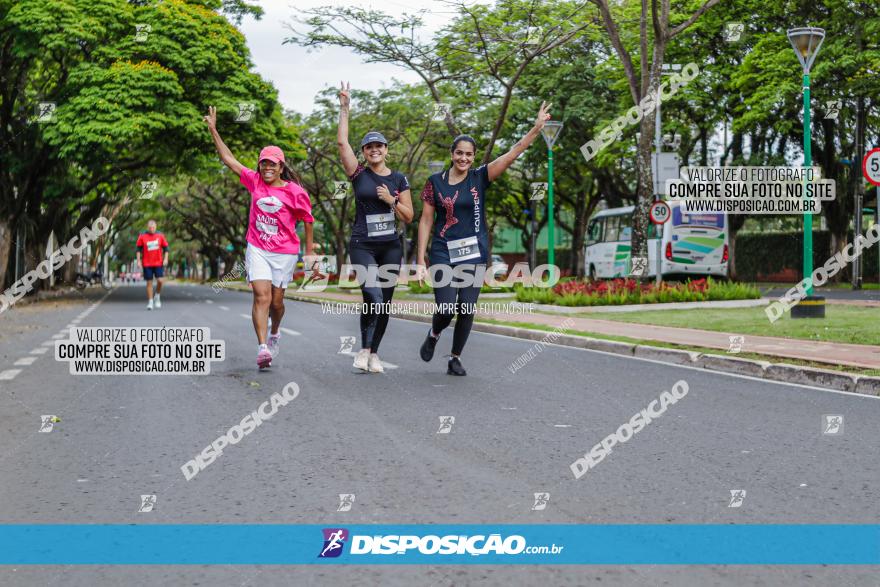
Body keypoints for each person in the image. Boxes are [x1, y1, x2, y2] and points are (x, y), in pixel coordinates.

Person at [416, 102, 552, 376]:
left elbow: (513, 154)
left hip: (473, 253)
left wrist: (537, 129)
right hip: (443, 251)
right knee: (445, 308)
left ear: (474, 156)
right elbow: (426, 220)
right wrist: (420, 258)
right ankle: (433, 333)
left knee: (466, 308)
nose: (463, 158)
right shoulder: (435, 181)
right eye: (459, 153)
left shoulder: (480, 177)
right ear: (451, 154)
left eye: (468, 154)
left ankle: (455, 358)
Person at [204, 106, 316, 369]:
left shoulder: (295, 192)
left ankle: (275, 331)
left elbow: (308, 220)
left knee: (277, 302)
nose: (266, 167)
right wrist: (213, 130)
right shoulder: (254, 181)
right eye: (263, 162)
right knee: (261, 295)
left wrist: (310, 252)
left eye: (272, 163)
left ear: (280, 166)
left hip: (286, 251)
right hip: (258, 248)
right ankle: (263, 347)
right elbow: (229, 159)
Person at [337, 82, 415, 373]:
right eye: (369, 147)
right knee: (373, 294)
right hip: (363, 245)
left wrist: (391, 200)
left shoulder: (399, 179)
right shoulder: (358, 175)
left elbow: (408, 216)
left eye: (378, 146)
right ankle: (365, 349)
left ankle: (373, 353)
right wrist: (345, 108)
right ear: (365, 152)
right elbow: (342, 145)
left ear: (386, 150)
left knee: (385, 302)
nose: (374, 150)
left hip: (390, 247)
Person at [136, 220, 168, 310]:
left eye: (153, 227)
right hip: (147, 263)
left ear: (156, 227)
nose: (152, 229)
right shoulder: (142, 236)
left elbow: (166, 249)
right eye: (150, 228)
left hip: (158, 262)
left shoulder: (160, 235)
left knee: (160, 281)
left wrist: (166, 259)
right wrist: (138, 261)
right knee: (149, 282)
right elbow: (138, 250)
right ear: (148, 227)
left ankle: (157, 296)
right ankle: (150, 302)